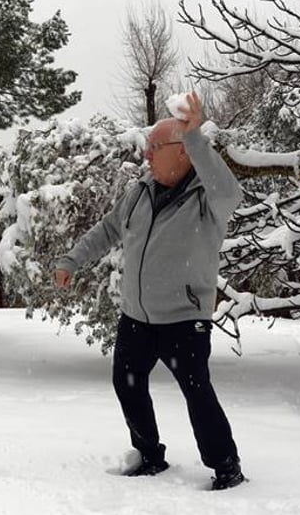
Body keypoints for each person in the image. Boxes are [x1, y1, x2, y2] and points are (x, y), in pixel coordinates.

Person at [53, 92, 246, 490]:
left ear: (182, 152)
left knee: (197, 394)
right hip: (137, 316)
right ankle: (149, 454)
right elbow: (108, 229)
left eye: (155, 148)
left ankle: (226, 466)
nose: (147, 156)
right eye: (148, 148)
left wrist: (196, 138)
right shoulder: (140, 192)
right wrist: (72, 259)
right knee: (126, 380)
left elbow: (232, 193)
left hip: (183, 317)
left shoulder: (208, 199)